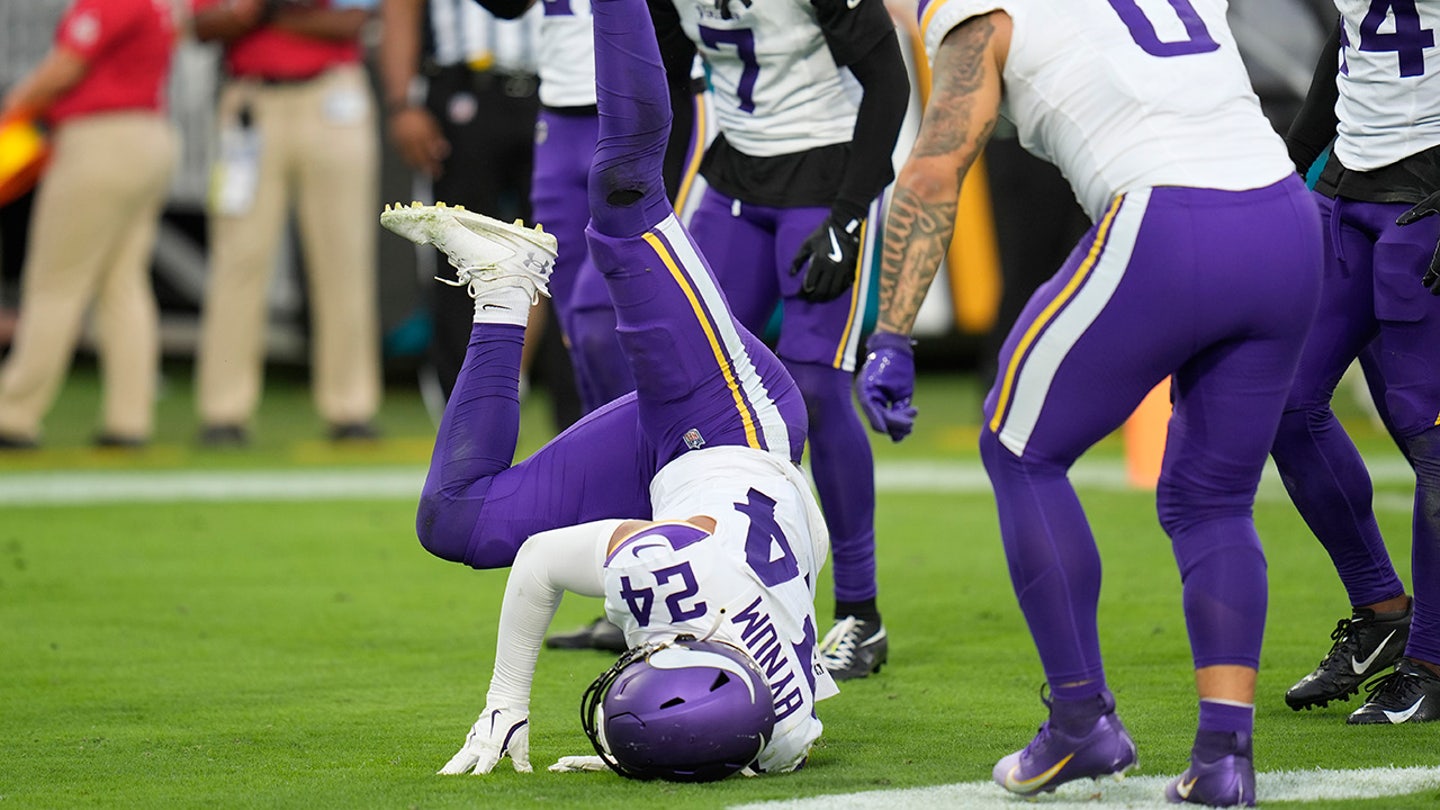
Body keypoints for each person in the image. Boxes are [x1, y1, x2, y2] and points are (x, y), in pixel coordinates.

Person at [858, 1, 1320, 805]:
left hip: (1171, 219)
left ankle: (1080, 720)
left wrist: (893, 335)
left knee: (1017, 444)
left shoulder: (978, 13)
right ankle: (1224, 758)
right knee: (1214, 500)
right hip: (1283, 216)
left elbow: (935, 167)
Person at [379, 0, 835, 778]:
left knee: (456, 521)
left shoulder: (783, 730)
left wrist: (640, 751)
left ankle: (501, 286)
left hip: (689, 472)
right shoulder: (676, 571)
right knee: (624, 195)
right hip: (732, 410)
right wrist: (506, 701)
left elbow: (808, 544)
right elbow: (542, 567)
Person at [640, 0, 908, 682]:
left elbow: (888, 79)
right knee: (684, 375)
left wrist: (849, 217)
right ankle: (686, 585)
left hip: (828, 172)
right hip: (733, 176)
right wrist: (651, 198)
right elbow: (670, 77)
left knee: (816, 386)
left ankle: (860, 611)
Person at [1273, 3, 1440, 724]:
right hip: (1344, 189)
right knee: (1282, 398)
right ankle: (1381, 611)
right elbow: (1354, 38)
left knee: (1427, 430)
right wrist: (1285, 163)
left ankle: (1432, 660)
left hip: (1427, 196)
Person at [190, 0, 382, 446]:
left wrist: (260, 12)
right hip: (250, 102)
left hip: (333, 96)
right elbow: (202, 26)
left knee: (344, 259)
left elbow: (352, 21)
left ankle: (351, 407)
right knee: (238, 258)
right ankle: (224, 410)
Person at [0, 0, 180, 449]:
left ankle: (13, 414)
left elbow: (66, 66)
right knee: (122, 282)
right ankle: (129, 419)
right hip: (148, 134)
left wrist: (14, 104)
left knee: (55, 281)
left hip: (100, 139)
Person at [377, 0, 545, 415]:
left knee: (554, 253)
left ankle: (513, 389)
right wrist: (402, 103)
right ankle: (461, 409)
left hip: (555, 87)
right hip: (466, 86)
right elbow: (401, 9)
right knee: (457, 253)